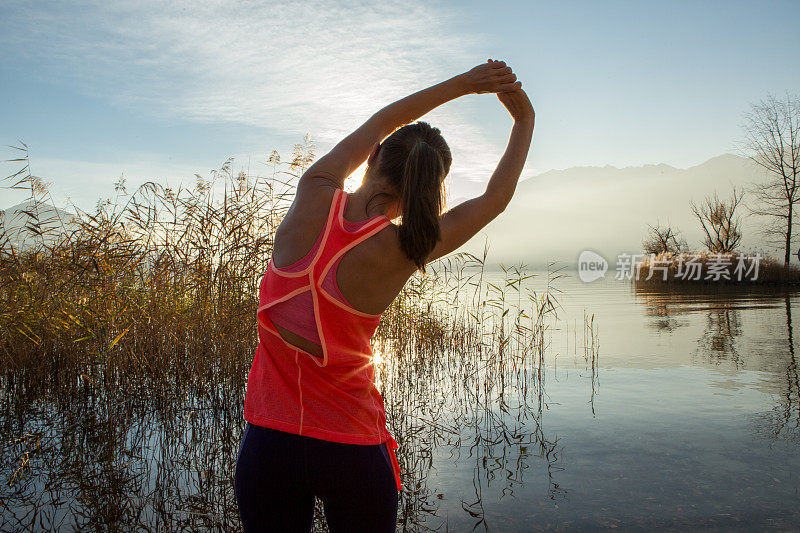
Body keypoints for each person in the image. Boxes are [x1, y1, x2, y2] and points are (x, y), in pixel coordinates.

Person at [235, 59, 535, 532]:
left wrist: (464, 84)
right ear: (429, 187)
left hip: (269, 445)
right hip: (351, 449)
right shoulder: (405, 247)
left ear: (372, 157)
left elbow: (382, 122)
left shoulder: (313, 190)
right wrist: (524, 121)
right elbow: (494, 200)